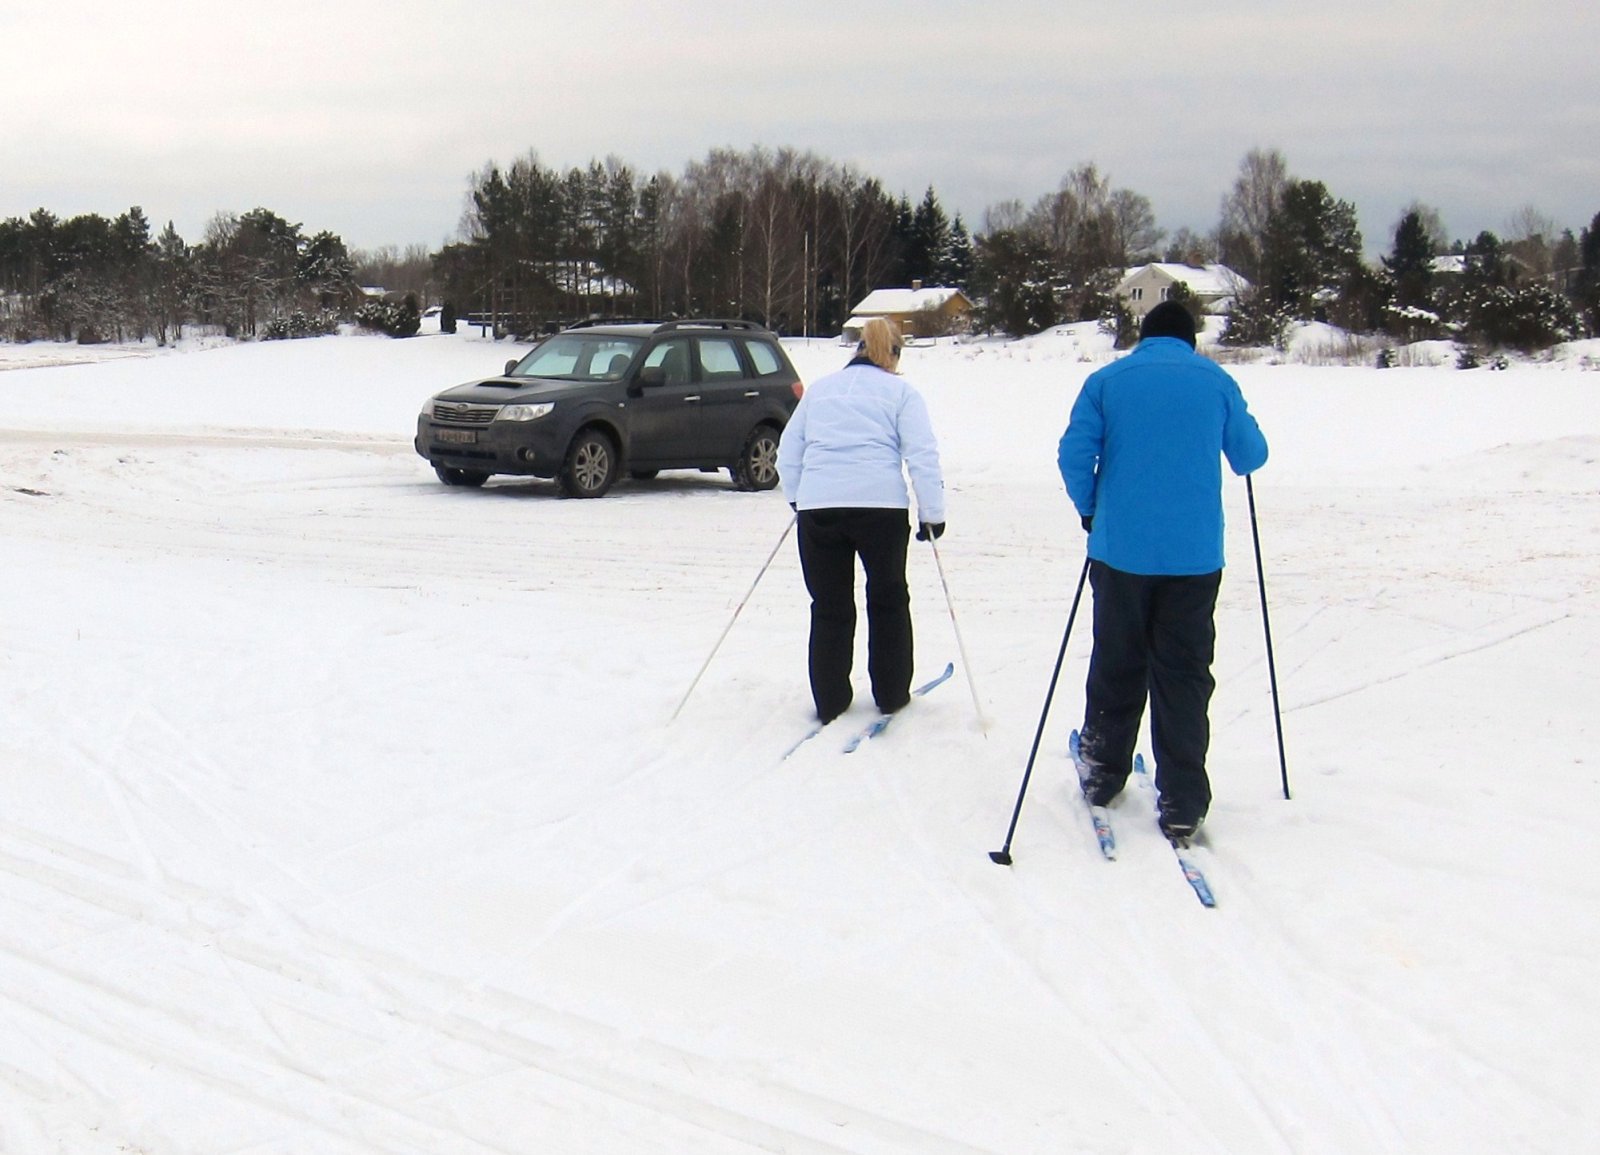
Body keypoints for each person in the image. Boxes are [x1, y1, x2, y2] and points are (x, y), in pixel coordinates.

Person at [1057, 300, 1268, 841]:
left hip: (1120, 551)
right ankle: (1183, 799)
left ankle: (1103, 772)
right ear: (1190, 340)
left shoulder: (1107, 381)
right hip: (1194, 556)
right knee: (1184, 672)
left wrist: (1091, 509)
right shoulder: (1216, 381)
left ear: (1144, 337)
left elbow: (1073, 454)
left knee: (1118, 658)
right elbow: (1251, 456)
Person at [778, 317, 946, 724]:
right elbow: (921, 455)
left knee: (829, 605)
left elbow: (788, 452)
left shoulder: (820, 391)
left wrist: (799, 498)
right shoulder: (902, 393)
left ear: (857, 349)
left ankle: (831, 699)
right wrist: (932, 513)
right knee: (889, 599)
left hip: (820, 506)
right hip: (881, 508)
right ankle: (891, 693)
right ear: (894, 354)